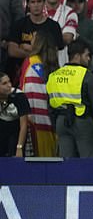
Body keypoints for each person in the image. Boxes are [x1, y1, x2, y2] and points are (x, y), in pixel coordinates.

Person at [46, 39, 93, 157]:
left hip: (61, 122)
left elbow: (50, 106)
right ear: (77, 56)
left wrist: (56, 125)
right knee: (88, 163)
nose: (89, 59)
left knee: (67, 164)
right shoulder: (87, 76)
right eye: (87, 55)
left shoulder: (54, 75)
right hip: (83, 122)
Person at [19, 29, 59, 157]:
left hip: (33, 125)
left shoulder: (30, 62)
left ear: (38, 42)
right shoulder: (54, 65)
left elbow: (24, 90)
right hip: (51, 124)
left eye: (34, 37)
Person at [0, 71, 30, 157]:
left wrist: (19, 147)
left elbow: (24, 125)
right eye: (4, 83)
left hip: (17, 129)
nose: (9, 85)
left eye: (9, 81)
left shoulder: (20, 96)